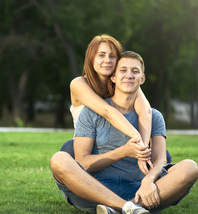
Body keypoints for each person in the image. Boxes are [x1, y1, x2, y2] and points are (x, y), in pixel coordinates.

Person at [50, 51, 198, 214]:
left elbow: (160, 160)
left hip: (139, 190)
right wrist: (124, 151)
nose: (129, 75)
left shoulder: (154, 116)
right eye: (123, 70)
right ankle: (128, 207)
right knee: (59, 159)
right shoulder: (92, 113)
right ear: (113, 77)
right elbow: (83, 163)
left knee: (190, 167)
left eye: (135, 71)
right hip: (97, 190)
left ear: (142, 79)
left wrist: (148, 181)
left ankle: (122, 208)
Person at [59, 34, 155, 175]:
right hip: (91, 149)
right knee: (68, 149)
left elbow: (145, 111)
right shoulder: (79, 84)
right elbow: (106, 111)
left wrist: (143, 150)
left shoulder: (124, 81)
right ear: (91, 58)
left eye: (112, 56)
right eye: (101, 55)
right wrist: (139, 140)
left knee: (160, 153)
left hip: (122, 145)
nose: (107, 61)